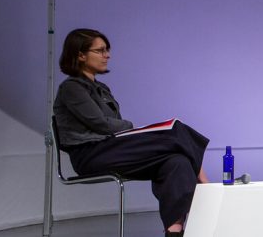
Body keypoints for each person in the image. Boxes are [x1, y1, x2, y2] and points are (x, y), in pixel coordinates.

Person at [53, 29, 209, 235]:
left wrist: (123, 128)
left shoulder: (102, 89)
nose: (107, 55)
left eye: (107, 50)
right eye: (100, 51)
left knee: (177, 161)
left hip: (111, 149)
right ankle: (208, 187)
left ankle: (174, 231)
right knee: (175, 130)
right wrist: (129, 126)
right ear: (81, 55)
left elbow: (112, 125)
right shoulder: (71, 88)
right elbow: (101, 124)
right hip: (91, 154)